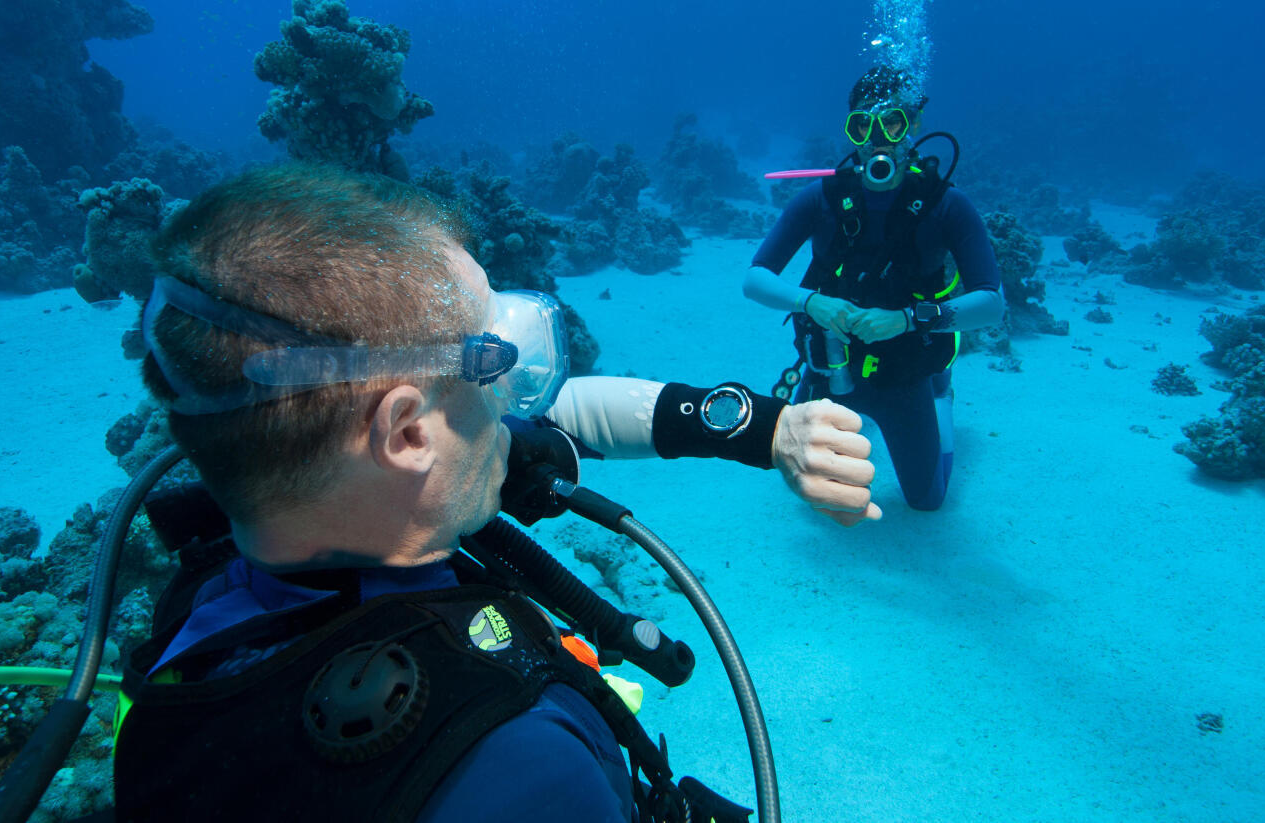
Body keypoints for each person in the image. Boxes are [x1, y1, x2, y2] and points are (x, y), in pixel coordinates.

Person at [112, 164, 879, 822]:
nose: (515, 393)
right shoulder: (524, 773)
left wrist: (765, 429)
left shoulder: (218, 583)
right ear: (406, 434)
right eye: (489, 362)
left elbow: (551, 424)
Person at [743, 66, 1010, 511]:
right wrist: (811, 301)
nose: (877, 137)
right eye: (862, 124)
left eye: (893, 122)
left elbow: (991, 304)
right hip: (829, 367)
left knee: (927, 502)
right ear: (851, 130)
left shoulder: (947, 204)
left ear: (913, 127)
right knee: (814, 493)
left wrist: (905, 320)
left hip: (906, 374)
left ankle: (940, 392)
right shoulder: (821, 198)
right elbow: (755, 279)